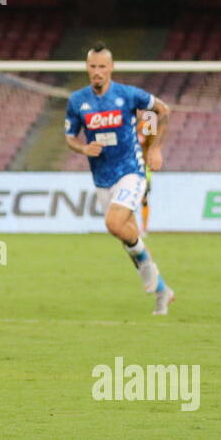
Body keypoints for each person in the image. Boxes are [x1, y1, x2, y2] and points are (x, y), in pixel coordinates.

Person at [65, 43, 175, 314]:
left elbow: (159, 111)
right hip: (102, 176)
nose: (97, 72)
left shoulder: (128, 97)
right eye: (93, 66)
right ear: (87, 68)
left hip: (132, 170)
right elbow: (70, 136)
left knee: (114, 223)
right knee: (127, 236)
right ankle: (162, 290)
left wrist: (154, 148)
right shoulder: (78, 101)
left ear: (111, 68)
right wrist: (83, 148)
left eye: (103, 66)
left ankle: (152, 276)